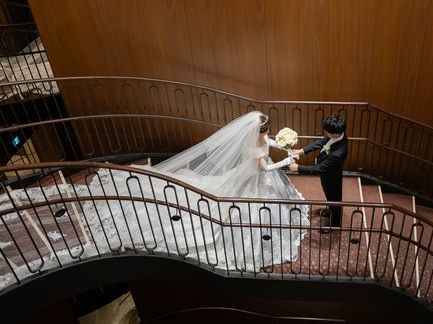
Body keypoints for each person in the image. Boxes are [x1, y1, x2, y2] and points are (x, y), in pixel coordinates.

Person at [83, 111, 309, 272]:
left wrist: (286, 146)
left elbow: (269, 142)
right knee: (243, 210)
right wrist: (286, 162)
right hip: (253, 178)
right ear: (260, 130)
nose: (269, 133)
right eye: (267, 130)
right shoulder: (253, 148)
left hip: (257, 178)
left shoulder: (261, 137)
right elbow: (263, 168)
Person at [289, 114, 348, 233]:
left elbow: (319, 169)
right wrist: (302, 151)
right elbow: (322, 142)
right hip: (326, 174)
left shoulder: (339, 153)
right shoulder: (339, 134)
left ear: (335, 133)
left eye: (327, 131)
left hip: (332, 177)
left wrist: (298, 168)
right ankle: (330, 211)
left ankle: (335, 224)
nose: (325, 133)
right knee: (329, 196)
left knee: (335, 198)